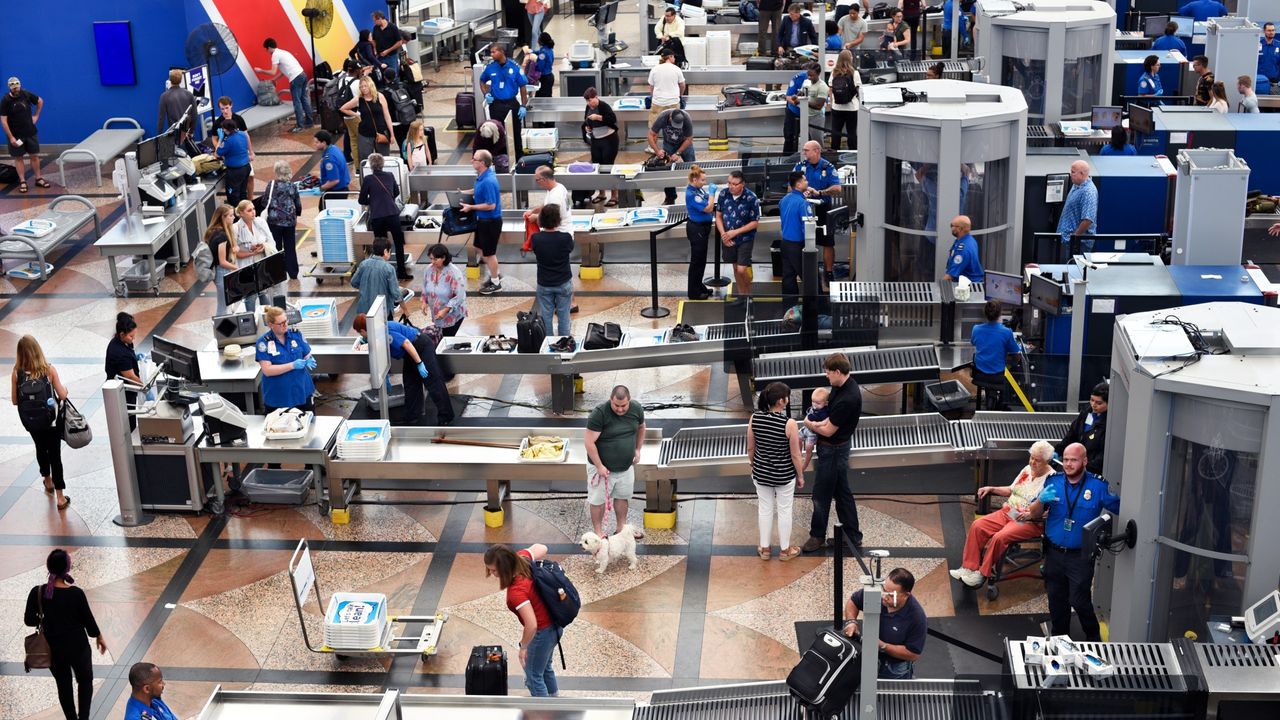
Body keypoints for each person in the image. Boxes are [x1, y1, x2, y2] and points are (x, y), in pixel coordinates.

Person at [1022, 442, 1119, 641]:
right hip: (1054, 553)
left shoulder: (1098, 486)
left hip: (1080, 556)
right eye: (1065, 459)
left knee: (1080, 600)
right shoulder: (1053, 481)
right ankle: (1060, 641)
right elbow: (1033, 514)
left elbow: (1121, 507)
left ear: (1084, 461)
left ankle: (1094, 640)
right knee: (1057, 601)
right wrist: (1041, 500)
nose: (1068, 464)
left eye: (1073, 460)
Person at [951, 442, 1054, 587]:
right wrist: (991, 488)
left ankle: (981, 574)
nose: (1032, 462)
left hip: (1029, 521)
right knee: (978, 525)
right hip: (1009, 512)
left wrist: (1029, 515)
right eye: (1031, 457)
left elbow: (1044, 511)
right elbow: (1011, 490)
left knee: (1000, 537)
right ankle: (969, 568)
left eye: (1037, 460)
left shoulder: (1052, 480)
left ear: (1047, 461)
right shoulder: (1027, 469)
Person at [25, 550, 108, 720]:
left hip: (53, 649)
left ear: (48, 567)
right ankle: (83, 718)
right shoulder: (75, 593)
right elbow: (88, 621)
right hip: (78, 647)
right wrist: (98, 636)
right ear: (67, 568)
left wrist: (45, 618)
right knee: (84, 681)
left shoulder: (37, 592)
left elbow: (29, 620)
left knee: (63, 685)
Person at [802, 352, 863, 551]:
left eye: (828, 372)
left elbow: (828, 429)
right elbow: (828, 420)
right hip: (836, 447)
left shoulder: (848, 398)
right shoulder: (841, 386)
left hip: (834, 450)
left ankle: (817, 535)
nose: (826, 376)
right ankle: (852, 535)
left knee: (821, 494)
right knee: (841, 491)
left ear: (838, 371)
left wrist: (809, 424)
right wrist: (820, 424)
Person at [483, 543, 558, 696]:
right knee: (545, 668)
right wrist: (521, 555)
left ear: (504, 567)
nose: (491, 573)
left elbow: (532, 625)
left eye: (494, 569)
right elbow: (543, 547)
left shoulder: (516, 591)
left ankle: (544, 713)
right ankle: (555, 702)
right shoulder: (521, 559)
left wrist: (523, 647)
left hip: (543, 633)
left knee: (533, 677)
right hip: (555, 625)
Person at [354, 313, 453, 425]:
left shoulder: (386, 332)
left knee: (433, 382)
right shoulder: (376, 330)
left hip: (420, 346)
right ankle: (412, 418)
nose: (361, 335)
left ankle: (446, 417)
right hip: (410, 353)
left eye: (360, 332)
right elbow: (377, 343)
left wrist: (419, 363)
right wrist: (364, 344)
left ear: (364, 330)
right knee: (410, 384)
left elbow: (407, 343)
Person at [747, 382, 805, 561]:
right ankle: (785, 550)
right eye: (786, 397)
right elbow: (795, 455)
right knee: (784, 510)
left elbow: (750, 448)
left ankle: (764, 549)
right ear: (781, 401)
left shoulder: (754, 418)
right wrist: (800, 475)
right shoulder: (790, 424)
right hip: (784, 475)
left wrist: (754, 464)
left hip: (761, 473)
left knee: (764, 509)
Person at [13, 335, 69, 508]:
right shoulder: (49, 370)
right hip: (50, 421)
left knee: (40, 449)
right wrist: (64, 390)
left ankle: (47, 480)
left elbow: (15, 401)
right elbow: (62, 395)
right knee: (55, 456)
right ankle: (60, 497)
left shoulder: (17, 373)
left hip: (31, 422)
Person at [584, 385, 646, 539]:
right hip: (602, 469)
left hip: (625, 467)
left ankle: (621, 529)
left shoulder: (636, 409)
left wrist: (638, 449)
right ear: (610, 400)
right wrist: (599, 466)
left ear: (629, 401)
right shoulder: (599, 414)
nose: (619, 409)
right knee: (597, 500)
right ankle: (598, 532)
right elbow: (589, 442)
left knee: (622, 497)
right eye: (616, 405)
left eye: (623, 405)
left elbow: (641, 427)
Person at [842, 568, 926, 679]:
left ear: (906, 595)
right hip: (867, 658)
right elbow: (853, 601)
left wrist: (882, 646)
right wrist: (851, 622)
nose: (885, 597)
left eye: (891, 595)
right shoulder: (878, 594)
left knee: (892, 695)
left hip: (894, 669)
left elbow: (913, 654)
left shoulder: (917, 617)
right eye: (884, 590)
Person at [359, 153, 411, 279]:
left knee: (381, 246)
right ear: (382, 164)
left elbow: (361, 200)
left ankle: (383, 272)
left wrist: (373, 201)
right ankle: (402, 272)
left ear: (371, 166)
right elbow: (396, 192)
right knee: (398, 243)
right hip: (392, 214)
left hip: (377, 216)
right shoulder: (390, 175)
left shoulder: (368, 179)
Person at [255, 305, 316, 412]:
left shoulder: (296, 335)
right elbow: (267, 370)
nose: (285, 325)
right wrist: (292, 365)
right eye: (280, 323)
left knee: (309, 423)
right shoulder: (263, 342)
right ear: (270, 325)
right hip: (279, 397)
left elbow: (306, 354)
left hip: (301, 392)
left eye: (286, 321)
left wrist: (309, 359)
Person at [795, 140, 842, 280]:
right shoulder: (800, 166)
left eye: (806, 150)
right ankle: (805, 271)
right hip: (804, 208)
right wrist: (802, 192)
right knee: (803, 240)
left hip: (822, 208)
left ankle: (828, 272)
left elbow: (837, 188)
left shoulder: (828, 167)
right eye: (803, 150)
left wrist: (820, 192)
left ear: (816, 151)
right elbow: (791, 186)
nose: (804, 153)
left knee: (828, 241)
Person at [463, 150, 505, 295]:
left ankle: (495, 282)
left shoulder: (488, 181)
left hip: (490, 222)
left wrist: (471, 207)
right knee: (478, 247)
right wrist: (463, 193)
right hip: (482, 221)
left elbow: (491, 205)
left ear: (482, 163)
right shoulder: (481, 176)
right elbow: (476, 190)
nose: (471, 161)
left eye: (474, 159)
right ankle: (496, 274)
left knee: (489, 254)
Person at [716, 170, 761, 299]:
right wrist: (724, 234)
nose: (731, 186)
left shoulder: (751, 198)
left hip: (745, 239)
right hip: (728, 239)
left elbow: (754, 223)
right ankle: (742, 296)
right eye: (729, 183)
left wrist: (735, 232)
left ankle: (748, 293)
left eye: (735, 184)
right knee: (735, 269)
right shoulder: (724, 194)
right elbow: (718, 216)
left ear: (743, 184)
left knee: (742, 269)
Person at [531, 204, 574, 337]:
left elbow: (534, 250)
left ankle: (548, 344)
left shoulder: (536, 238)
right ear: (558, 220)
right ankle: (564, 342)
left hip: (544, 283)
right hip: (563, 283)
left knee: (546, 317)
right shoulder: (566, 238)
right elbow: (570, 249)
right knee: (564, 316)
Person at [480, 43, 529, 161]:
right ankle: (500, 157)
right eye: (491, 52)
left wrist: (523, 105)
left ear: (502, 52)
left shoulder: (514, 67)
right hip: (496, 105)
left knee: (515, 132)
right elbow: (482, 81)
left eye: (494, 52)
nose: (491, 55)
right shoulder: (490, 67)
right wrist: (486, 94)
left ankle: (518, 157)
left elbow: (523, 87)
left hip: (512, 104)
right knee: (497, 132)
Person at [1, 76, 49, 193]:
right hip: (16, 135)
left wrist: (36, 115)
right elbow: (3, 120)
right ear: (9, 87)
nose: (16, 88)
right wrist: (11, 137)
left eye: (17, 85)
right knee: (19, 158)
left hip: (30, 132)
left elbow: (40, 101)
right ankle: (23, 181)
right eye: (13, 86)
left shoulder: (26, 94)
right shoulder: (6, 100)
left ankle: (38, 178)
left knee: (34, 156)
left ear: (20, 85)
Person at [255, 39, 314, 132]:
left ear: (269, 47)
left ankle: (300, 126)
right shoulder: (283, 52)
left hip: (295, 78)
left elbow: (273, 71)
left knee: (297, 102)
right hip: (302, 75)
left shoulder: (274, 55)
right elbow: (283, 71)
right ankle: (309, 122)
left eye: (267, 49)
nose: (267, 52)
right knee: (304, 99)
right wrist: (275, 80)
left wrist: (261, 70)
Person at [969, 299, 1017, 409]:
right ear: (1000, 314)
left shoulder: (976, 329)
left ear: (985, 313)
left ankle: (991, 399)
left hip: (980, 373)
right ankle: (1003, 405)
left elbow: (973, 342)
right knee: (1015, 371)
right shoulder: (1006, 332)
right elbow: (1016, 354)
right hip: (998, 375)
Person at [1056, 381, 1108, 476]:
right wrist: (1058, 451)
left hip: (1092, 471)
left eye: (1099, 403)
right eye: (1092, 400)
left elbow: (1103, 455)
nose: (1093, 405)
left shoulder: (1110, 424)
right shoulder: (1087, 412)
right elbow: (1072, 434)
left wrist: (1085, 467)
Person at [106, 312, 146, 431]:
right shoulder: (120, 354)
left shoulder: (122, 341)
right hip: (122, 394)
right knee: (128, 424)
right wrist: (145, 388)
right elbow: (131, 377)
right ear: (122, 334)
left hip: (127, 391)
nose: (133, 339)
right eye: (131, 336)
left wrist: (134, 357)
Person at [342, 76, 396, 160]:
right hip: (365, 134)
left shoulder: (380, 96)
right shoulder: (358, 99)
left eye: (365, 86)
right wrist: (356, 114)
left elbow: (387, 116)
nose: (363, 88)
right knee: (365, 160)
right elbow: (343, 108)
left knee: (384, 159)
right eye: (361, 87)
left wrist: (392, 134)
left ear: (370, 85)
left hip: (381, 132)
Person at [648, 107, 695, 205]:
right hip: (668, 144)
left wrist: (678, 153)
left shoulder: (686, 118)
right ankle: (670, 197)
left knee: (692, 169)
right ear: (670, 118)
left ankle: (694, 195)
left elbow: (689, 139)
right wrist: (657, 151)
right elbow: (651, 135)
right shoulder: (663, 116)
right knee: (667, 170)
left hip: (684, 143)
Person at [232, 200, 273, 311]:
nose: (253, 212)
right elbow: (235, 253)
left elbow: (271, 241)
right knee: (250, 297)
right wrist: (251, 252)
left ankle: (268, 320)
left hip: (261, 263)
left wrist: (263, 247)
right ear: (241, 213)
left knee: (264, 293)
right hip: (246, 266)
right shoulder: (235, 228)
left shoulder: (260, 222)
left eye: (254, 209)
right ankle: (250, 323)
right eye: (249, 210)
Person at [265, 161, 303, 280]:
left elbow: (265, 201)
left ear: (276, 172)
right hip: (289, 222)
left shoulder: (271, 184)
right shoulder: (292, 186)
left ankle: (277, 273)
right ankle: (293, 273)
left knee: (275, 247)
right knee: (290, 247)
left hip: (274, 221)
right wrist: (296, 214)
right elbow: (298, 204)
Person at [211, 98, 256, 197]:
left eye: (226, 108)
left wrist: (251, 152)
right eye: (222, 109)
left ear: (231, 105)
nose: (225, 111)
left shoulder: (239, 119)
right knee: (235, 183)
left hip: (243, 154)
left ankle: (250, 201)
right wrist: (219, 149)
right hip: (228, 155)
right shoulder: (218, 123)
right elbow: (214, 138)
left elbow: (246, 135)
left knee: (250, 177)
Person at [778, 170, 813, 302]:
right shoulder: (803, 203)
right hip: (798, 246)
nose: (807, 182)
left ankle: (789, 308)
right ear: (798, 185)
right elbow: (807, 228)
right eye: (805, 180)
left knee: (788, 277)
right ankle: (819, 307)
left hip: (785, 243)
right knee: (809, 276)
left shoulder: (784, 200)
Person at [583, 87, 620, 206]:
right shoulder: (588, 107)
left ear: (596, 97)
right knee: (597, 167)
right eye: (587, 101)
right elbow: (586, 121)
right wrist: (587, 127)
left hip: (609, 140)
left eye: (591, 100)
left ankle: (615, 195)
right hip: (596, 140)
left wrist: (599, 117)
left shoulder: (604, 106)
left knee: (608, 168)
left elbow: (612, 119)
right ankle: (602, 193)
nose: (589, 103)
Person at [684, 165, 716, 300]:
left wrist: (709, 196)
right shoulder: (691, 194)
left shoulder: (699, 190)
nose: (705, 183)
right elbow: (708, 208)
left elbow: (706, 199)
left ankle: (699, 286)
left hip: (703, 228)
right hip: (697, 229)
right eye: (703, 180)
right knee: (697, 262)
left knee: (701, 261)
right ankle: (693, 292)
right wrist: (713, 194)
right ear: (695, 180)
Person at [422, 243, 468, 337]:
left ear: (443, 257)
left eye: (435, 259)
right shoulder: (429, 269)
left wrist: (446, 309)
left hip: (452, 313)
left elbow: (459, 295)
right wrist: (424, 301)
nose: (433, 262)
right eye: (431, 259)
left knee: (446, 337)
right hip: (437, 312)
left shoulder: (454, 273)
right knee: (440, 335)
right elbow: (425, 286)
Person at [351, 239, 400, 318]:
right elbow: (395, 293)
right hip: (383, 311)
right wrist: (405, 309)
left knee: (367, 330)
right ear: (385, 251)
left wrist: (365, 286)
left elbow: (354, 282)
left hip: (364, 311)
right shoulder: (389, 268)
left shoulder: (363, 264)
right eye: (389, 251)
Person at [1056, 160, 1097, 255]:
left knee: (1074, 268)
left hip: (1077, 244)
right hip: (1067, 240)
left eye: (1073, 172)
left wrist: (1075, 237)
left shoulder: (1088, 192)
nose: (1070, 174)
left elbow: (1088, 220)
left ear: (1082, 174)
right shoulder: (1076, 185)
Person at [206, 204, 238, 315]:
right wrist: (237, 268)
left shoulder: (214, 231)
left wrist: (233, 248)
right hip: (222, 272)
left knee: (224, 303)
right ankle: (221, 330)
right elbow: (222, 261)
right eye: (231, 215)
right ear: (223, 217)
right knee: (223, 305)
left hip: (218, 271)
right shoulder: (222, 236)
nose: (233, 217)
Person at [829, 51, 861, 151]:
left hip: (837, 107)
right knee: (851, 132)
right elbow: (859, 90)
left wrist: (831, 103)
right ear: (849, 59)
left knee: (835, 132)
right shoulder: (854, 73)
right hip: (852, 108)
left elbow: (830, 89)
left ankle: (834, 154)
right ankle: (853, 154)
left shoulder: (834, 72)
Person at [216, 119, 251, 207]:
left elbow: (217, 153)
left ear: (226, 129)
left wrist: (220, 139)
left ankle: (236, 215)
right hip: (246, 167)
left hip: (235, 172)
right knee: (243, 193)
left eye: (223, 129)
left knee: (233, 196)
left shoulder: (228, 141)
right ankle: (244, 211)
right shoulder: (243, 134)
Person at [647, 49, 687, 127]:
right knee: (674, 127)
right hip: (673, 102)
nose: (674, 59)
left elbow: (651, 87)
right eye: (674, 57)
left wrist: (653, 97)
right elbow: (682, 85)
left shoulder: (654, 69)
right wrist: (679, 96)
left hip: (658, 102)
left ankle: (654, 139)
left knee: (653, 128)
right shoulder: (677, 69)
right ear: (670, 57)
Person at [782, 64, 816, 154]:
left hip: (811, 114)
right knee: (790, 138)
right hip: (794, 112)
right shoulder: (799, 78)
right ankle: (787, 159)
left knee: (812, 140)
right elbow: (788, 96)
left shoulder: (819, 81)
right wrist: (798, 103)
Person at [943, 214, 983, 283]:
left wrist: (937, 287)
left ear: (960, 228)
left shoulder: (963, 250)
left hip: (969, 287)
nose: (951, 228)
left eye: (952, 226)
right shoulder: (967, 240)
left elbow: (950, 276)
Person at [156, 69, 196, 135]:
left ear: (170, 80)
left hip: (174, 133)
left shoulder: (164, 96)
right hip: (186, 133)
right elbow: (194, 114)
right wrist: (191, 131)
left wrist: (158, 135)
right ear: (180, 80)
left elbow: (161, 118)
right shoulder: (189, 94)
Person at [799, 387, 829, 470]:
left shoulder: (824, 412)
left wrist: (818, 424)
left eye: (818, 403)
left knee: (809, 448)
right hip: (806, 428)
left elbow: (827, 420)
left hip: (813, 432)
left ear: (826, 403)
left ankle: (805, 464)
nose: (814, 405)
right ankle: (799, 454)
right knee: (797, 438)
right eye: (813, 402)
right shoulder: (815, 407)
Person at [313, 129, 350, 194]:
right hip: (342, 187)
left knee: (323, 204)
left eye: (317, 142)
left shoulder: (329, 159)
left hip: (335, 192)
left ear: (324, 143)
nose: (314, 144)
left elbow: (334, 180)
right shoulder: (333, 148)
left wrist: (321, 188)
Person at [371, 11, 405, 79]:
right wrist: (375, 49)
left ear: (380, 19)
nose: (374, 22)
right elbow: (373, 40)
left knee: (393, 75)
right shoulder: (376, 28)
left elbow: (399, 42)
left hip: (391, 56)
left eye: (375, 20)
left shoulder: (393, 27)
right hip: (380, 56)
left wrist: (388, 51)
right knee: (380, 75)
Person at [524, 33, 556, 98]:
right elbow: (539, 52)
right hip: (550, 77)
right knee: (548, 97)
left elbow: (540, 67)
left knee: (541, 99)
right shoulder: (549, 49)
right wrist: (531, 51)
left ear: (541, 41)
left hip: (544, 79)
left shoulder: (543, 53)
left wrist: (532, 64)